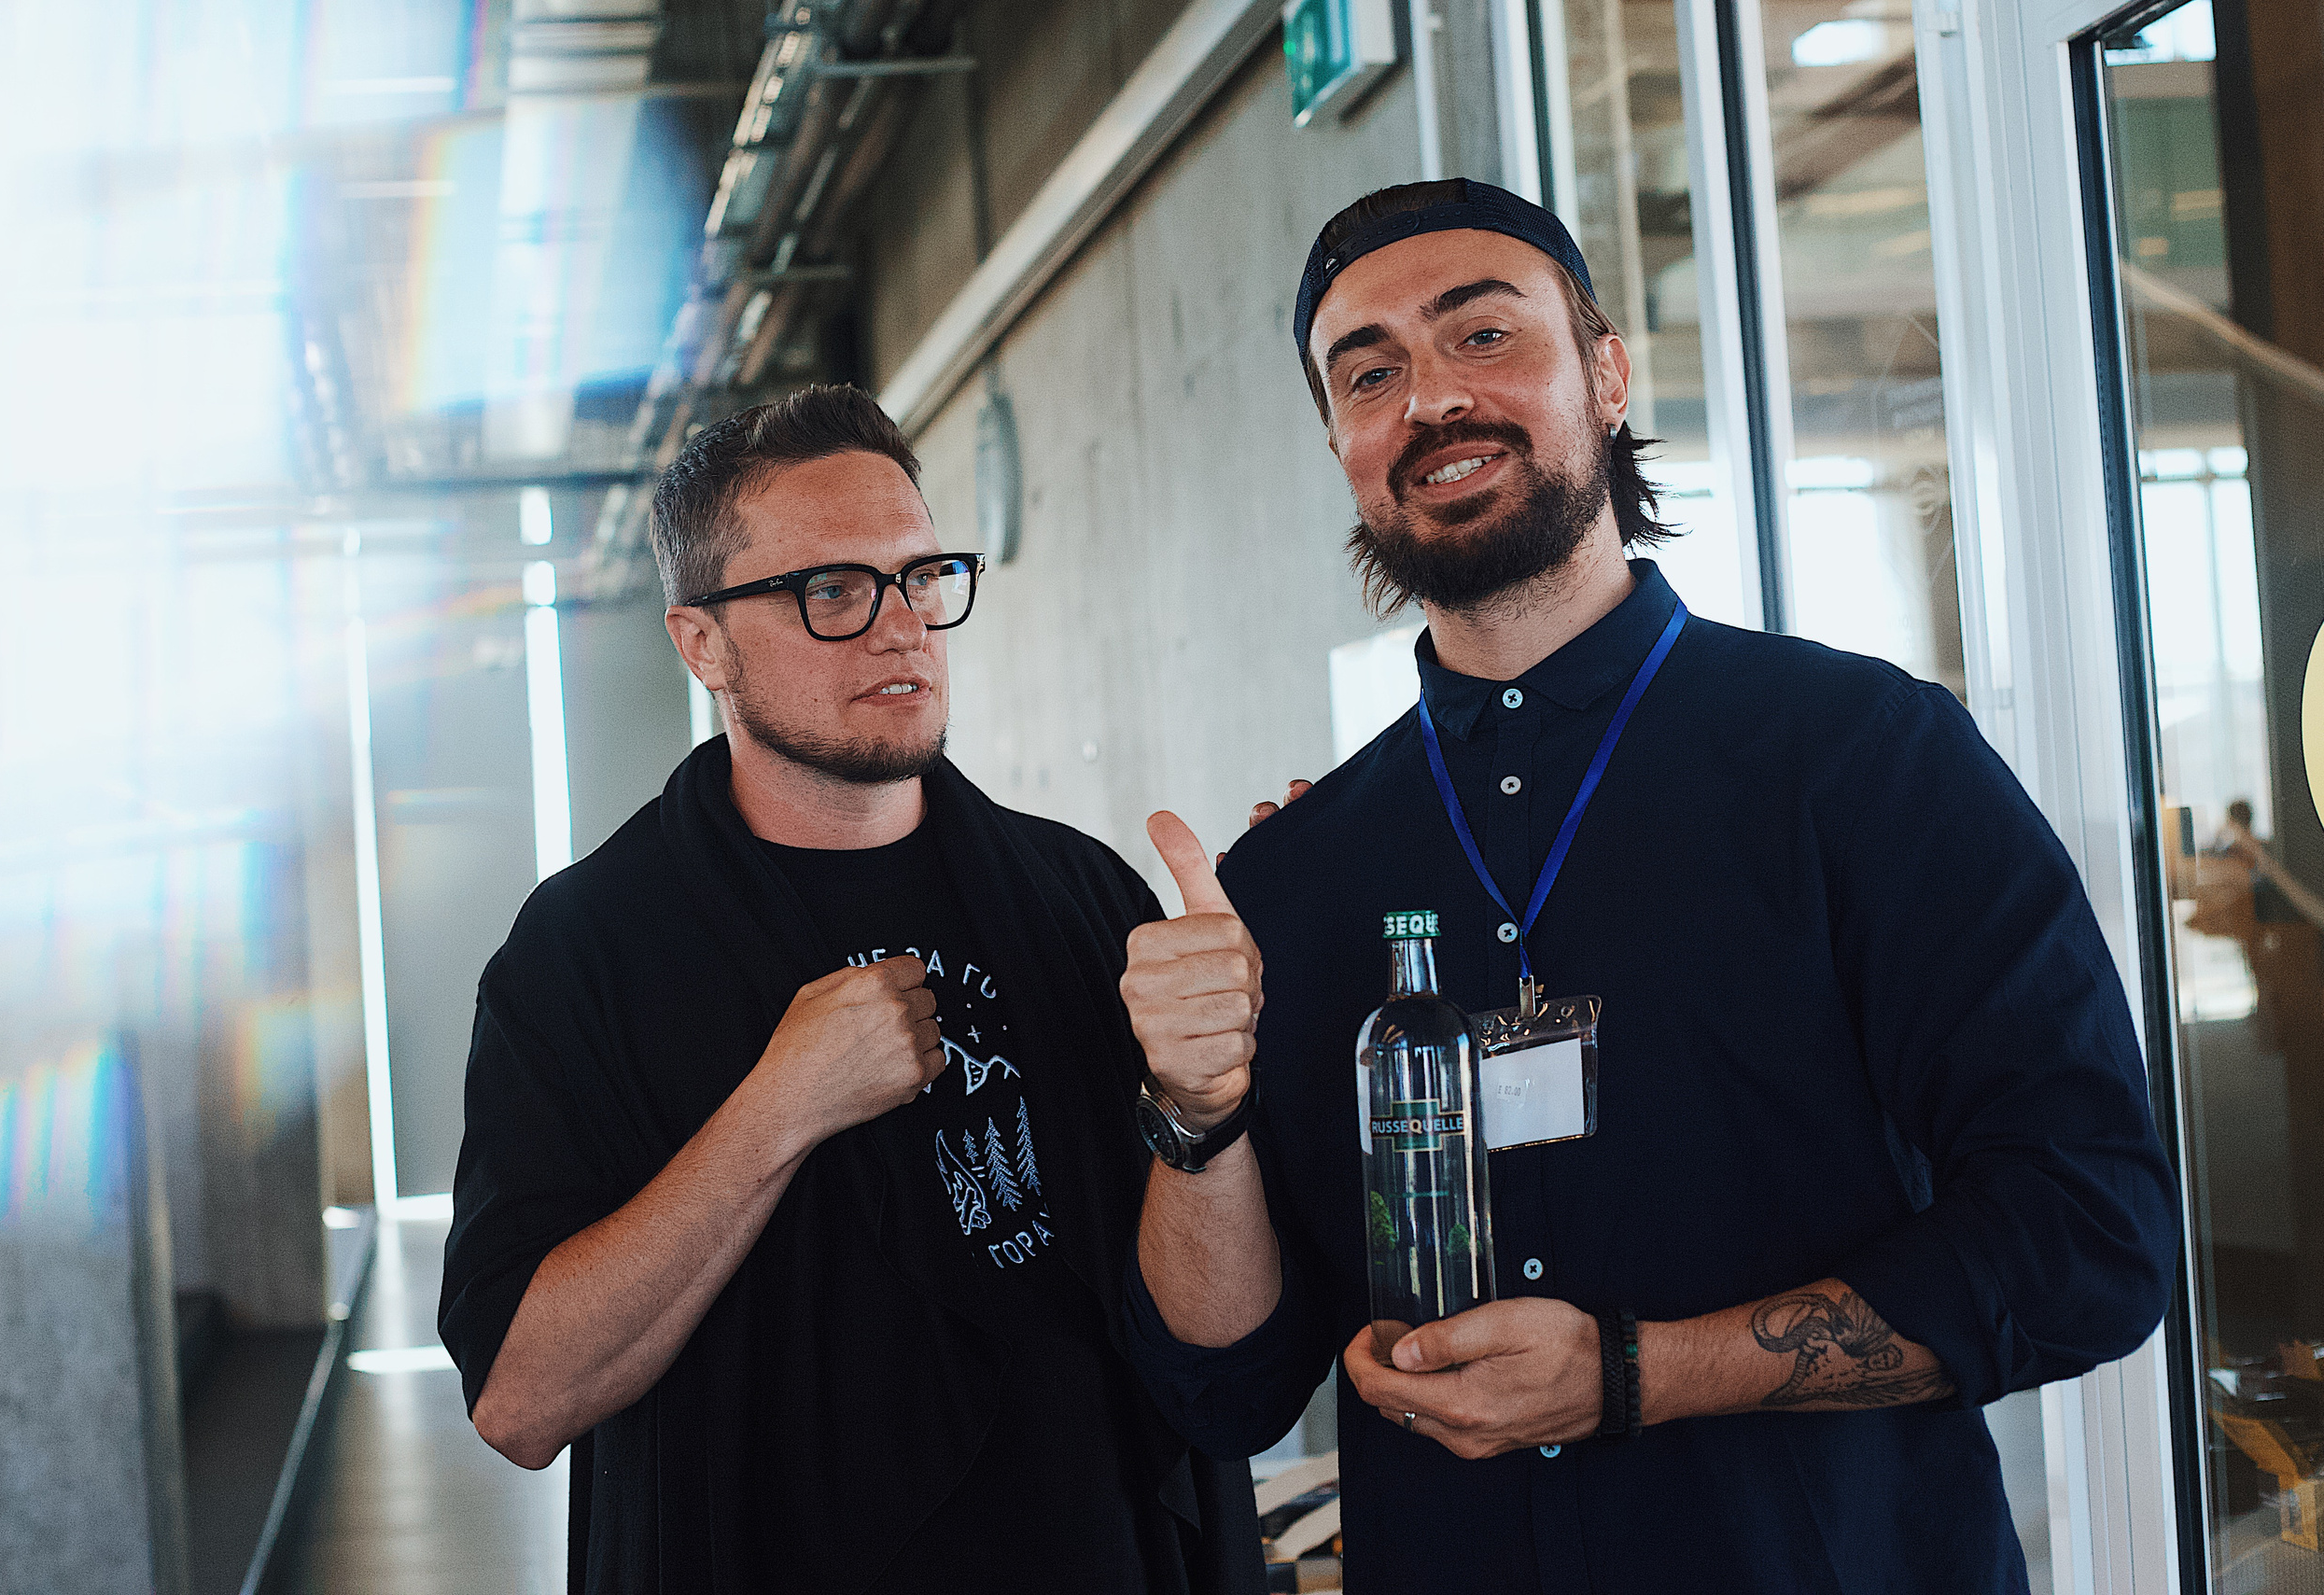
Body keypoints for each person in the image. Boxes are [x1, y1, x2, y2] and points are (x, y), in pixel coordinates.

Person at [1116, 180, 2178, 1593]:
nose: (1431, 398)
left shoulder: (1863, 759)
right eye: (1369, 373)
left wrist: (1637, 1374)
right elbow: (1225, 1389)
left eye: (1483, 335)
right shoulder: (1294, 881)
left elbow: (2089, 1239)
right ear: (1340, 444)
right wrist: (1196, 1114)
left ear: (1607, 375)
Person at [439, 385, 1262, 1594]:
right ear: (701, 643)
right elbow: (521, 1398)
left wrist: (1206, 1105)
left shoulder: (1081, 896)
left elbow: (1218, 1345)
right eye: (832, 590)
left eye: (921, 576)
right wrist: (779, 1108)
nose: (902, 628)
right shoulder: (584, 952)